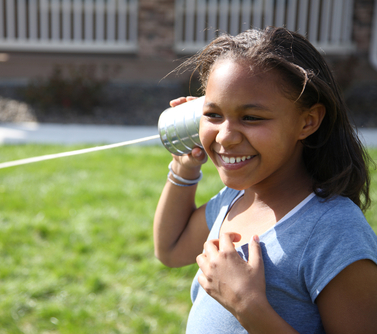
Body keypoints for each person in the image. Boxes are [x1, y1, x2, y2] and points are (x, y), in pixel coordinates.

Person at [153, 27, 377, 333]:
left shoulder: (334, 231)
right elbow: (171, 248)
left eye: (251, 117)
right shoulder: (236, 200)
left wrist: (247, 305)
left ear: (308, 121)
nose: (226, 137)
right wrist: (184, 167)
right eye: (214, 115)